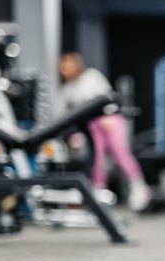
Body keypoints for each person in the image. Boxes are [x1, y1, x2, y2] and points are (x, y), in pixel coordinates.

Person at [58, 52, 151, 212]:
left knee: (121, 154)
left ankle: (139, 188)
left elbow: (108, 96)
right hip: (91, 126)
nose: (64, 70)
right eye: (62, 68)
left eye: (67, 66)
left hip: (110, 121)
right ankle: (98, 193)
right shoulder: (67, 89)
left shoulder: (91, 76)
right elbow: (66, 114)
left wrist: (108, 115)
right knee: (97, 159)